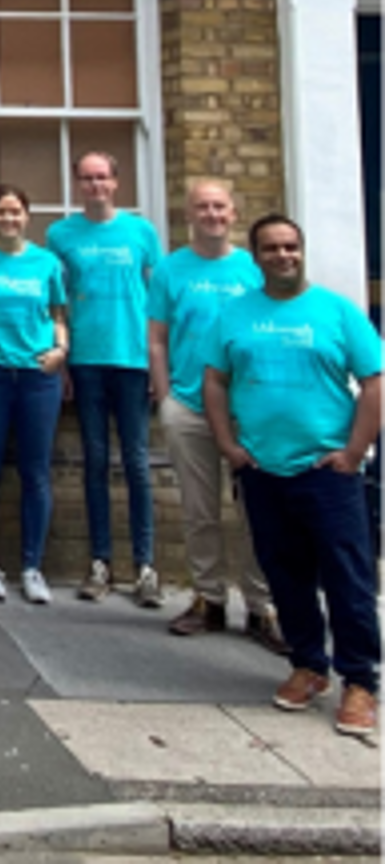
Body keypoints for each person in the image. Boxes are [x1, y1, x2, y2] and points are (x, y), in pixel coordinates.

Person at [203, 214, 382, 738]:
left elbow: (374, 383)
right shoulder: (235, 314)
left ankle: (360, 681)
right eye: (272, 249)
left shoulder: (337, 312)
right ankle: (308, 666)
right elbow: (215, 381)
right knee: (285, 574)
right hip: (262, 468)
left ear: (301, 251)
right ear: (254, 257)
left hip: (327, 470)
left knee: (347, 577)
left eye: (291, 247)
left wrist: (353, 452)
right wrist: (228, 446)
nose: (284, 256)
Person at [146, 180, 284, 651]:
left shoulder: (252, 268)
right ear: (189, 214)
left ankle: (261, 605)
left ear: (234, 211)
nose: (211, 214)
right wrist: (165, 399)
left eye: (219, 206)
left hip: (249, 411)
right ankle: (209, 597)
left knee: (257, 510)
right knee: (200, 510)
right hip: (188, 405)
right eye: (202, 207)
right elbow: (158, 339)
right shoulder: (169, 270)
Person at [46, 151, 163, 607]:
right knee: (94, 461)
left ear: (116, 182)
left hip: (133, 358)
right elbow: (57, 303)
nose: (95, 185)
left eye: (103, 177)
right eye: (87, 178)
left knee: (136, 462)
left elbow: (157, 300)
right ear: (78, 183)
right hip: (86, 359)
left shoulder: (141, 231)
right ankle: (101, 563)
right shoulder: (61, 235)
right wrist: (65, 361)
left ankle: (146, 566)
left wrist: (159, 365)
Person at [0, 183, 68, 606]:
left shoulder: (47, 262)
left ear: (27, 217)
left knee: (36, 472)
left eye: (16, 212)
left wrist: (61, 348)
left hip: (37, 375)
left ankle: (31, 567)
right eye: (1, 212)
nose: (9, 219)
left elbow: (58, 314)